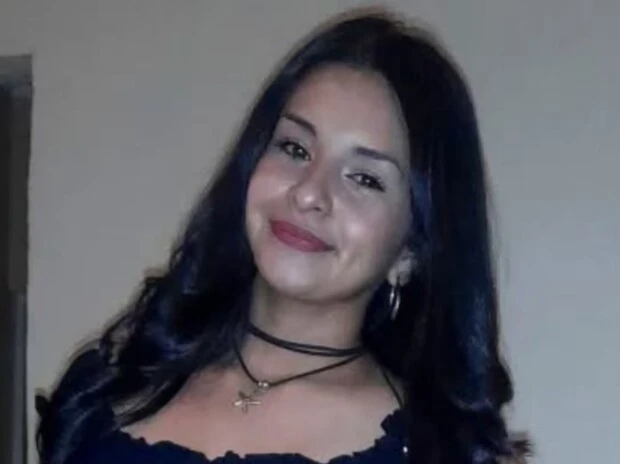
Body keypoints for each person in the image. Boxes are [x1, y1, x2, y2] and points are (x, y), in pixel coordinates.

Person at [36, 9, 530, 464]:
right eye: (294, 148)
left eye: (364, 178)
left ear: (411, 249)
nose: (309, 193)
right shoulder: (110, 387)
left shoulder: (441, 453)